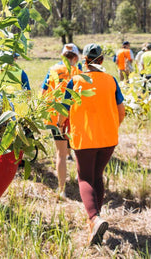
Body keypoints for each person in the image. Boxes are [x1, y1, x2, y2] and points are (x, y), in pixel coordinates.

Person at [58, 44, 125, 246]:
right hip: (108, 139)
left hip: (84, 139)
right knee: (97, 176)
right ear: (102, 61)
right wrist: (111, 125)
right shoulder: (111, 81)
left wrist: (61, 125)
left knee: (85, 177)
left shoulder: (75, 81)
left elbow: (63, 111)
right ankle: (95, 221)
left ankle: (94, 219)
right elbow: (121, 112)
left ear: (84, 60)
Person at [41, 43, 82, 198]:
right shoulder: (79, 72)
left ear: (62, 55)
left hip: (55, 116)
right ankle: (80, 180)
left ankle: (62, 189)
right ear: (76, 57)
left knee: (61, 154)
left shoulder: (52, 70)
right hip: (74, 117)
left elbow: (44, 92)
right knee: (77, 149)